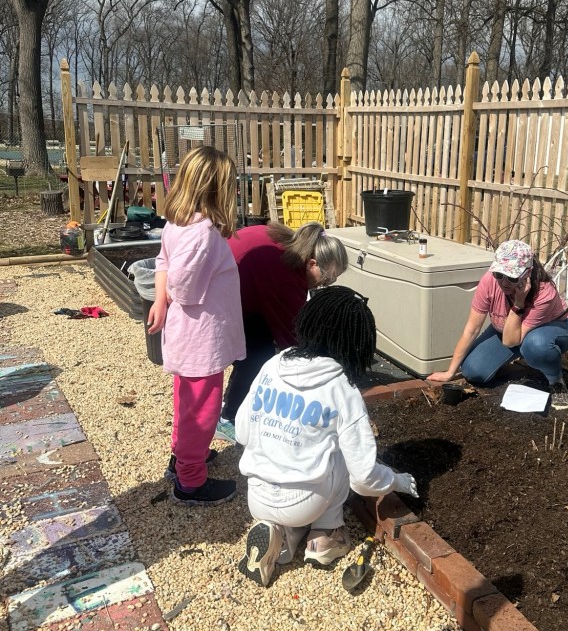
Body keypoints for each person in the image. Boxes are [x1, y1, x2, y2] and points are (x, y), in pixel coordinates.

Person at [236, 285, 419, 587]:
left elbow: (243, 430)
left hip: (257, 495)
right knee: (342, 454)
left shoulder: (272, 366)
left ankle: (281, 537)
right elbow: (363, 478)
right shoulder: (341, 388)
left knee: (312, 451)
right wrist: (397, 481)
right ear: (356, 341)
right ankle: (325, 536)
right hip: (306, 501)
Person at [147, 146, 246, 505]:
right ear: (218, 189)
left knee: (187, 403)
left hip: (189, 336)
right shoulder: (202, 234)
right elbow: (184, 288)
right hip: (200, 338)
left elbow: (162, 261)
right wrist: (168, 296)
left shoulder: (179, 222)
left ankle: (184, 457)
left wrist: (160, 300)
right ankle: (190, 481)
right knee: (202, 410)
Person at [218, 221, 348, 435]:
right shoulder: (285, 278)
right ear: (312, 264)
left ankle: (231, 406)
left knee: (256, 347)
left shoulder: (286, 242)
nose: (324, 285)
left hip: (233, 282)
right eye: (326, 279)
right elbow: (293, 337)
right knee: (258, 356)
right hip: (219, 297)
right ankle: (229, 417)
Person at [427, 239, 568, 410]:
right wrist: (450, 372)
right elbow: (471, 329)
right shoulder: (489, 281)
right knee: (472, 371)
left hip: (553, 328)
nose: (504, 282)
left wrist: (518, 303)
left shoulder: (544, 293)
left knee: (535, 345)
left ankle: (556, 381)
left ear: (528, 272)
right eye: (499, 274)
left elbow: (510, 341)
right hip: (510, 331)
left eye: (512, 277)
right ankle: (521, 358)